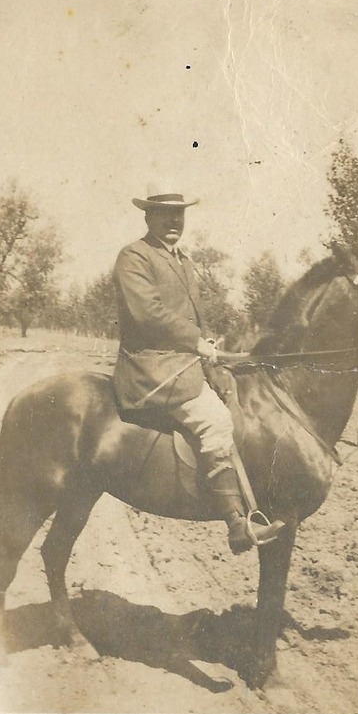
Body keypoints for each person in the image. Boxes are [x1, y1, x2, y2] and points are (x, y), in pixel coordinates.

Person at [112, 190, 284, 555]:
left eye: (179, 215)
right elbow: (148, 313)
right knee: (215, 421)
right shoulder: (134, 257)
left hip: (187, 363)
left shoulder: (184, 260)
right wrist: (195, 340)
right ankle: (236, 523)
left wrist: (209, 344)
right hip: (152, 366)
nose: (173, 222)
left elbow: (193, 317)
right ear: (148, 217)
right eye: (164, 214)